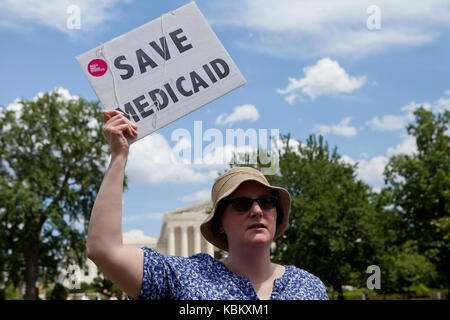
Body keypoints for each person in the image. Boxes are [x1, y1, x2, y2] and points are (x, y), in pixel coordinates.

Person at [86, 109, 328, 300]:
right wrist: (119, 155)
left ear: (277, 213)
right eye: (242, 204)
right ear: (220, 223)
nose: (257, 211)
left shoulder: (308, 286)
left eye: (266, 202)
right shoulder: (187, 278)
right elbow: (104, 250)